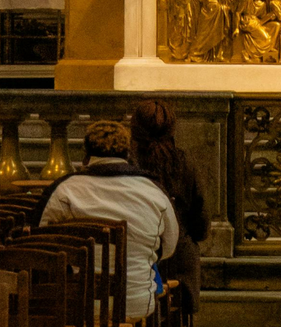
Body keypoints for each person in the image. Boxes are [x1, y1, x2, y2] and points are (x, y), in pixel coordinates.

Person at [39, 119, 178, 323]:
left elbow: (41, 243)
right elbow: (169, 247)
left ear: (86, 155)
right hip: (136, 301)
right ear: (128, 154)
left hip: (79, 302)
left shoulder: (64, 190)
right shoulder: (153, 191)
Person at [132, 100, 209, 316]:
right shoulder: (185, 162)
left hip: (140, 261)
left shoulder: (130, 165)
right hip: (181, 262)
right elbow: (201, 220)